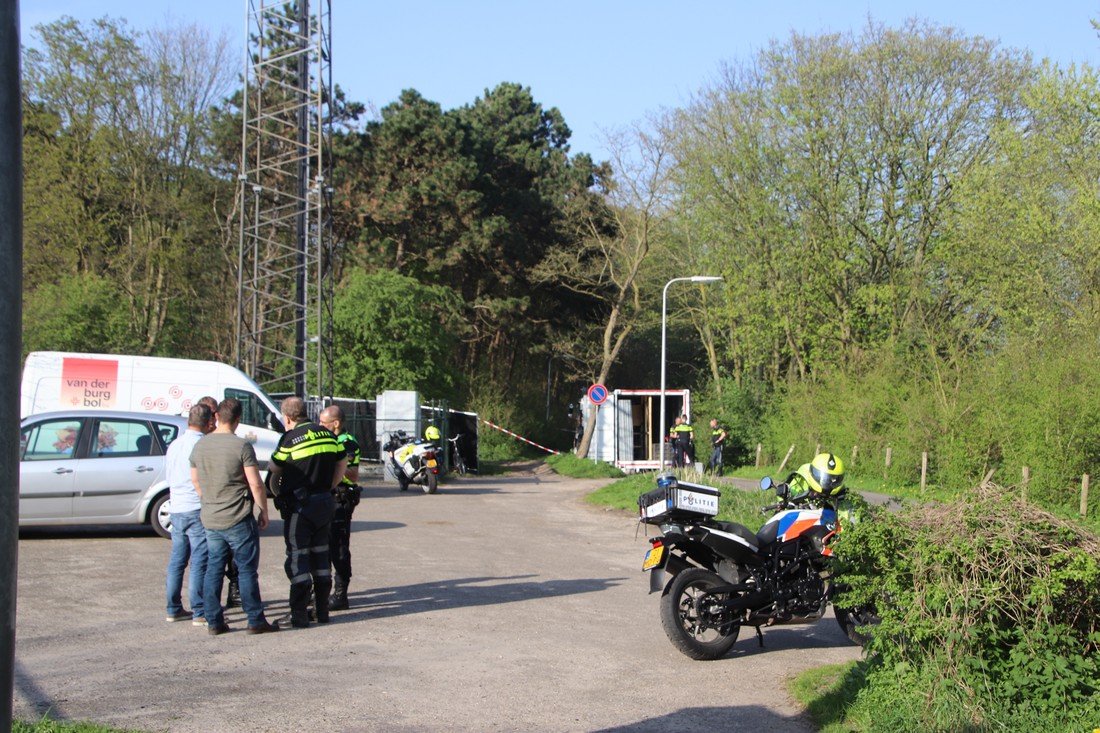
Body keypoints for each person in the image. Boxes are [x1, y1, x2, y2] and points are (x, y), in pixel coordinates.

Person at [191, 398, 278, 635]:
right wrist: (263, 510)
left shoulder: (200, 446)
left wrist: (207, 498)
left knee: (214, 569)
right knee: (246, 570)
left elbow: (195, 479)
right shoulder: (241, 446)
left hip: (211, 517)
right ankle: (255, 620)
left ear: (217, 416)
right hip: (238, 517)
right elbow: (255, 483)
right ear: (238, 420)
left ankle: (214, 622)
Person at [269, 396, 346, 628]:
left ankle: (299, 615)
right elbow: (342, 462)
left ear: (288, 417)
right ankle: (322, 612)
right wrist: (330, 486)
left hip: (300, 507)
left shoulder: (290, 438)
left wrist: (277, 492)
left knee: (298, 559)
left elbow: (274, 469)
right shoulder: (328, 435)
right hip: (325, 503)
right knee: (321, 557)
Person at [164, 403, 213, 626]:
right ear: (207, 422)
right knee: (199, 561)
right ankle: (199, 610)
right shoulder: (203, 445)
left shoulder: (175, 444)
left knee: (177, 560)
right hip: (196, 506)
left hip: (176, 507)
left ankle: (173, 608)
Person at [199, 395, 241, 609]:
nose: (212, 420)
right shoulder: (201, 443)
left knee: (230, 560)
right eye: (209, 415)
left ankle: (232, 595)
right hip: (211, 510)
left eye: (214, 414)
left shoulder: (230, 441)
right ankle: (207, 608)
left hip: (226, 509)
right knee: (211, 562)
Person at [318, 405, 361, 611]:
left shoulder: (347, 442)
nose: (319, 426)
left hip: (341, 498)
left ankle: (340, 594)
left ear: (335, 424)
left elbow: (352, 474)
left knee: (339, 547)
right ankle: (321, 592)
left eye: (323, 423)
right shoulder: (326, 440)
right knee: (322, 546)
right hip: (325, 498)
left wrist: (335, 468)